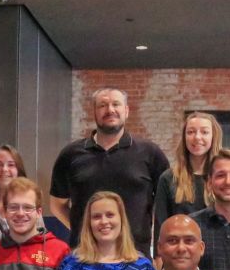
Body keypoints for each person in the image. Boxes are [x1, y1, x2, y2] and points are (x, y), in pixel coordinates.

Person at [50, 87, 170, 252]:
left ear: (126, 111)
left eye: (116, 104)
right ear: (94, 112)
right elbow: (57, 205)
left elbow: (166, 204)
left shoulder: (150, 153)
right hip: (85, 255)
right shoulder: (70, 154)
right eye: (103, 105)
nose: (110, 110)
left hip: (136, 256)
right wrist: (82, 230)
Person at [153, 112, 219, 244]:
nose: (197, 137)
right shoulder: (168, 178)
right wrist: (159, 260)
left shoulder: (222, 178)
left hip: (217, 252)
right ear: (184, 137)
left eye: (204, 132)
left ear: (214, 137)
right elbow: (161, 226)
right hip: (180, 253)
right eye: (191, 132)